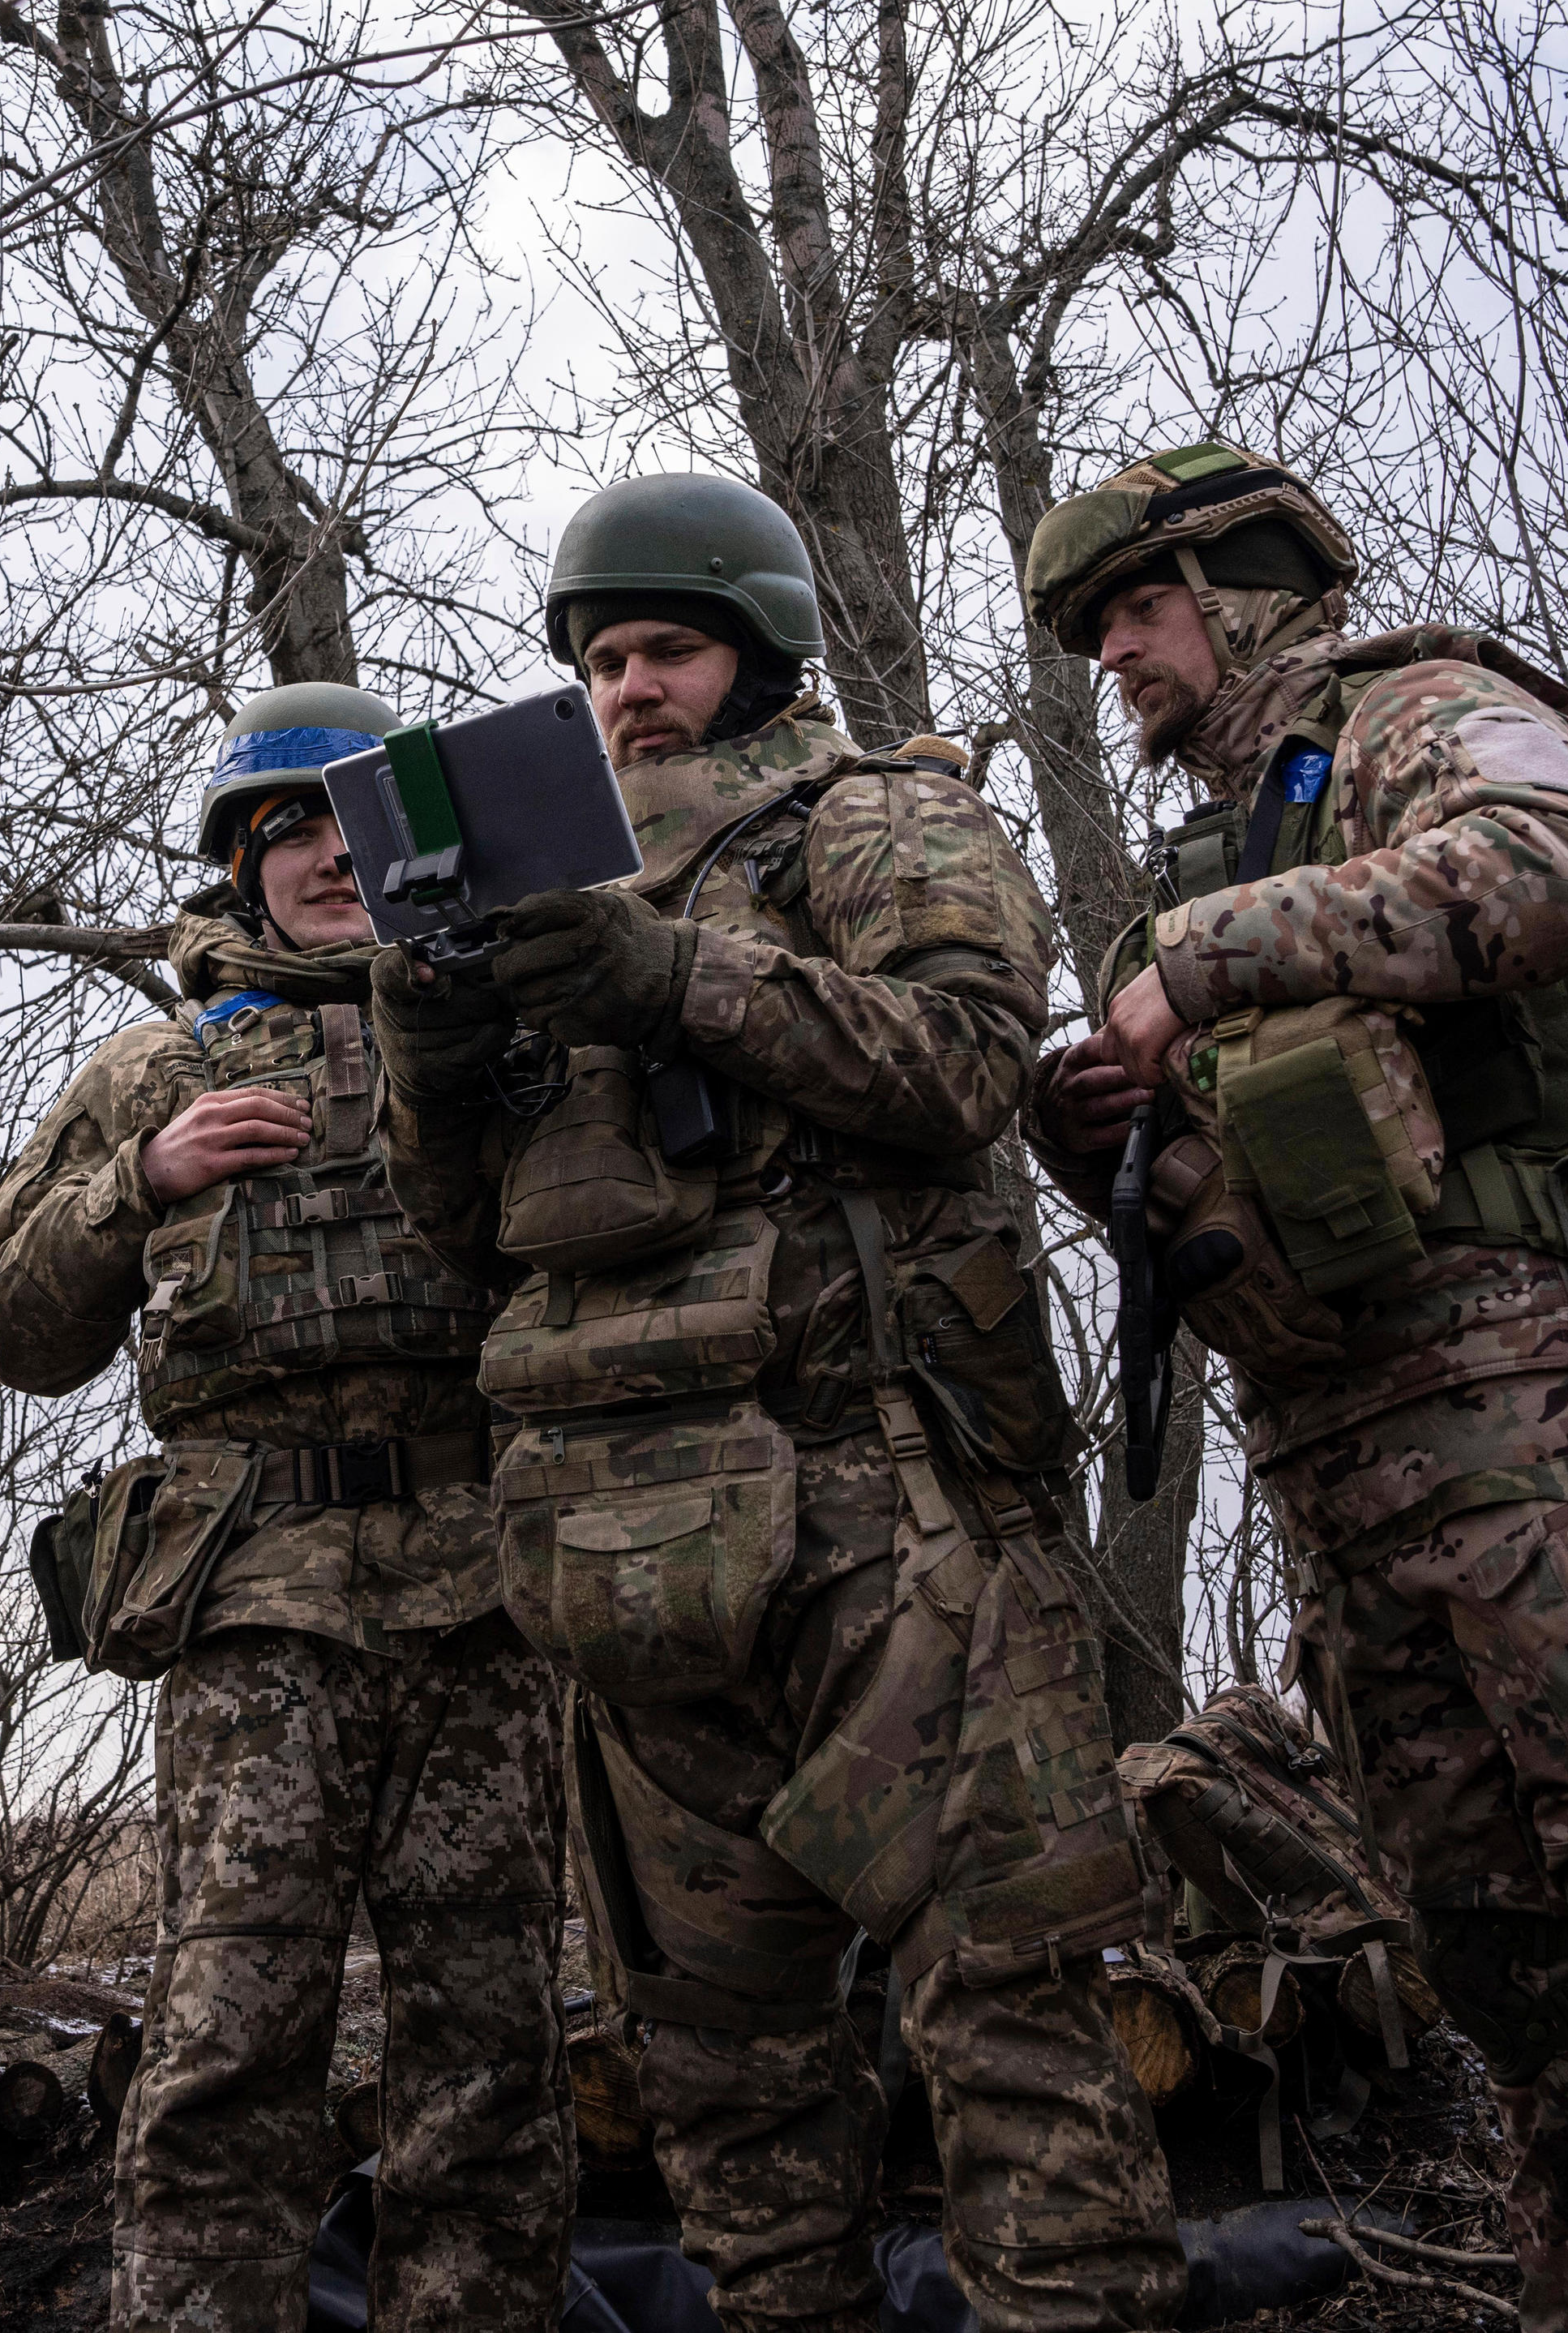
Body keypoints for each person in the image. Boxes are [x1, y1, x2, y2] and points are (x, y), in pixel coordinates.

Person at [1016, 441, 1568, 2333]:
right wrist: (1092, 1118)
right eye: (1093, 626)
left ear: (1246, 577)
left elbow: (1542, 876)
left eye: (1137, 606)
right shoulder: (1209, 844)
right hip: (1349, 1463)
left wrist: (1198, 962)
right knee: (1505, 1966)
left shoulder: (1414, 706)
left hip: (1555, 1423)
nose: (1115, 654)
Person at [365, 476, 1187, 2333]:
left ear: (758, 645)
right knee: (724, 2102)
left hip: (888, 1525)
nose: (624, 689)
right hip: (624, 1556)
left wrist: (682, 977)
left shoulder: (883, 816)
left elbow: (972, 1061)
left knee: (1017, 2041)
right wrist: (430, 1056)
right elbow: (459, 1232)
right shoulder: (524, 894)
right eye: (593, 661)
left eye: (660, 647)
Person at [0, 683, 572, 2333]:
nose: (323, 856)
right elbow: (8, 1327)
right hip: (254, 1614)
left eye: (357, 824)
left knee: (491, 2064)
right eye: (285, 828)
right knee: (226, 2053)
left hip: (489, 1602)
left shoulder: (512, 1025)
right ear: (239, 863)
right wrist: (135, 1181)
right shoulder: (150, 1064)